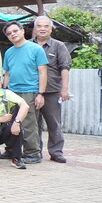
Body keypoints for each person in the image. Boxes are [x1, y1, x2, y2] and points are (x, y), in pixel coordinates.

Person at [2, 21, 48, 164]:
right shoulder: (9, 52)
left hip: (30, 91)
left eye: (15, 31)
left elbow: (43, 72)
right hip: (12, 92)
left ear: (22, 31)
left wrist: (40, 93)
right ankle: (11, 150)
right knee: (10, 121)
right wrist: (4, 91)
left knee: (28, 123)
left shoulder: (36, 49)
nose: (13, 34)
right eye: (9, 33)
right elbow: (7, 73)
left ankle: (32, 153)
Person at [31, 16, 71, 163]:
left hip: (52, 91)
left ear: (51, 29)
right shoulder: (27, 45)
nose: (42, 29)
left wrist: (64, 89)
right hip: (31, 90)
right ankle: (35, 151)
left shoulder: (59, 46)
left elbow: (65, 68)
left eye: (46, 26)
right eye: (39, 26)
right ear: (35, 28)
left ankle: (56, 152)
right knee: (33, 124)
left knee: (54, 123)